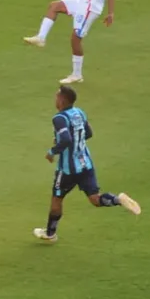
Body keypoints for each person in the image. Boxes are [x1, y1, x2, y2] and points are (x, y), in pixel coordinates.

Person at [33, 86, 140, 243]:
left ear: (62, 100)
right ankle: (118, 200)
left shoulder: (59, 118)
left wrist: (52, 152)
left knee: (57, 199)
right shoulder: (79, 112)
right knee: (95, 199)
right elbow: (88, 133)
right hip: (86, 164)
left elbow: (66, 140)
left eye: (57, 97)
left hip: (67, 170)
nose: (55, 100)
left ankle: (50, 233)